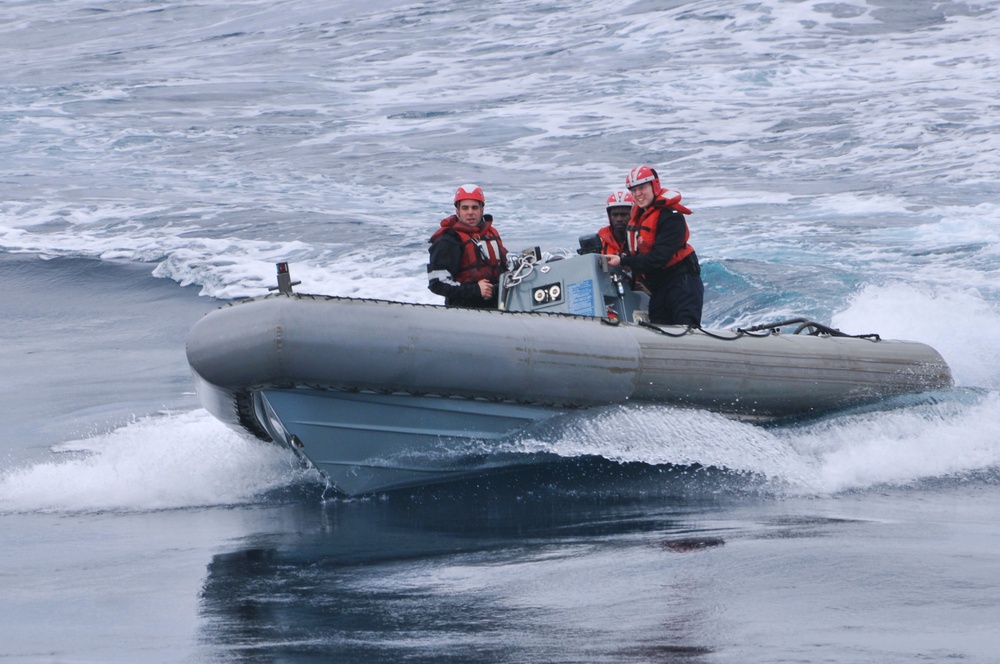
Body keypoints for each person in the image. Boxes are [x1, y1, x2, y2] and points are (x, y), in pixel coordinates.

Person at [606, 165, 704, 326]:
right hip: (659, 287)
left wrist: (623, 261)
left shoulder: (671, 217)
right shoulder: (638, 218)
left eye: (642, 188)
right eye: (633, 190)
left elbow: (658, 258)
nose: (638, 194)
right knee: (659, 328)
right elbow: (633, 252)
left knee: (686, 331)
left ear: (654, 186)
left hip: (682, 284)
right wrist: (621, 257)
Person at [427, 184, 508, 308]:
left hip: (498, 304)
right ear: (458, 211)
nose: (470, 212)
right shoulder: (448, 240)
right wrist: (476, 290)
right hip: (464, 310)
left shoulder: (491, 233)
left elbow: (505, 265)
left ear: (482, 210)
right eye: (465, 208)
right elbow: (437, 284)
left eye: (475, 207)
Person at [599, 190, 633, 255]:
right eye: (615, 215)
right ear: (609, 216)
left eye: (624, 215)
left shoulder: (641, 237)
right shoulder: (600, 240)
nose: (619, 219)